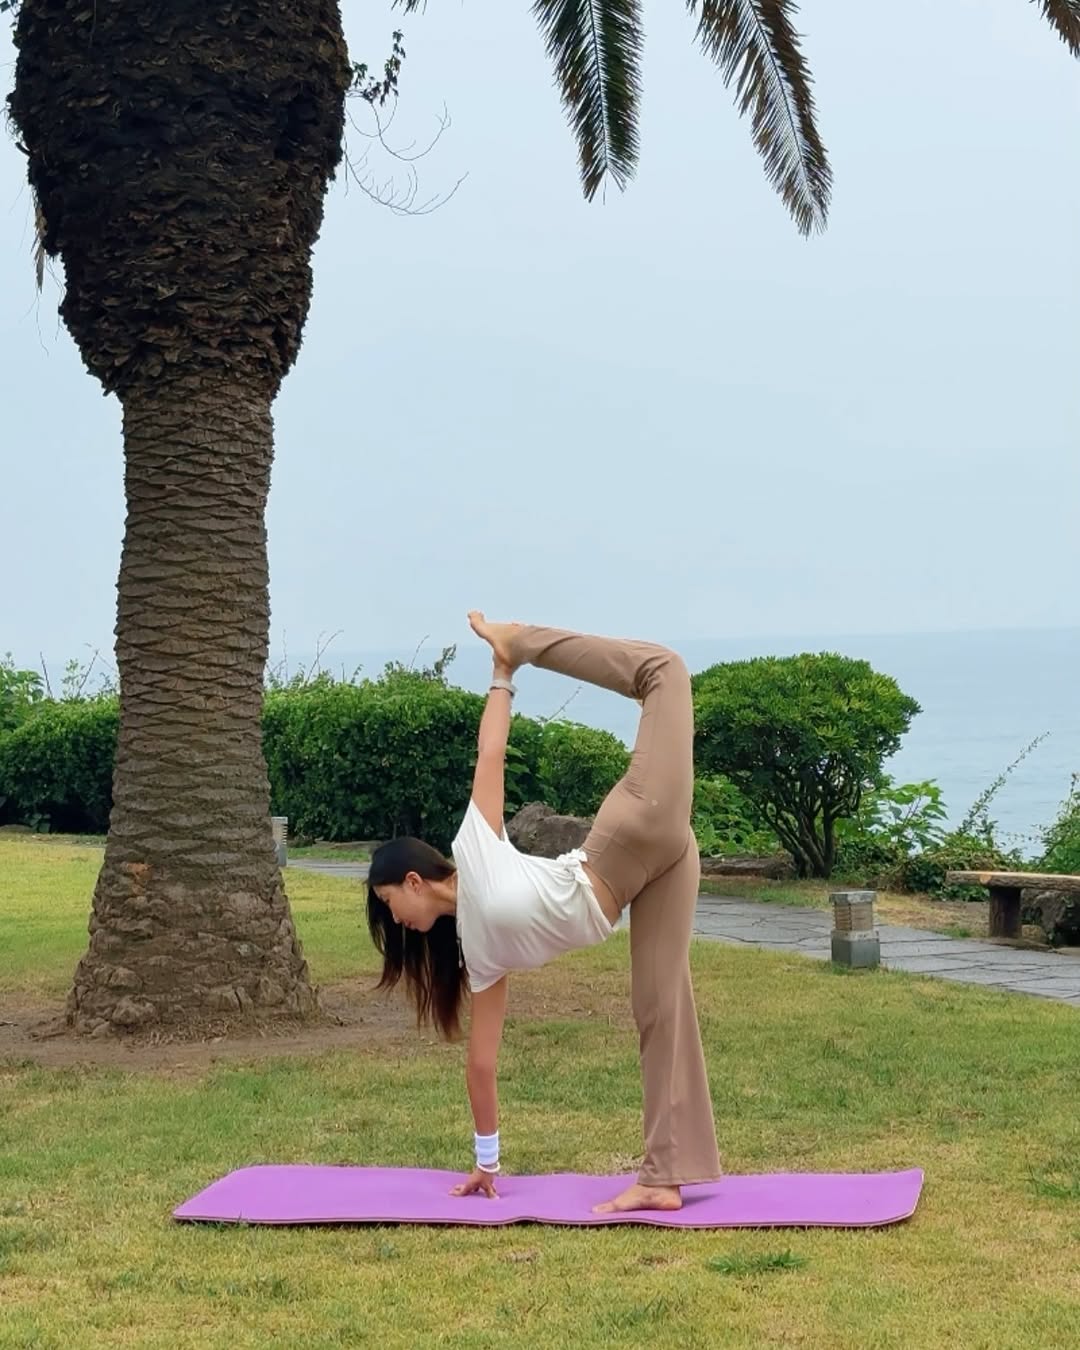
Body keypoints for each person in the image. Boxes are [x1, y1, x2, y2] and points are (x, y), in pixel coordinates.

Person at [366, 613, 720, 1213]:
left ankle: (523, 641)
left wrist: (503, 674)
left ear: (413, 880)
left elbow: (491, 753)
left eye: (388, 904)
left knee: (665, 670)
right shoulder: (480, 957)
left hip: (630, 836)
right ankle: (663, 1177)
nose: (395, 920)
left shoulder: (474, 849)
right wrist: (486, 1162)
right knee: (659, 1009)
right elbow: (481, 1065)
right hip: (650, 876)